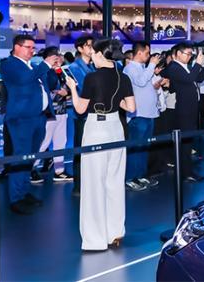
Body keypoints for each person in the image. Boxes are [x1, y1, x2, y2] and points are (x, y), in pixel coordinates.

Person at [65, 39, 135, 251]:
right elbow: (131, 107)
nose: (91, 56)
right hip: (116, 128)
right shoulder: (123, 77)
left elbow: (80, 109)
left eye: (93, 53)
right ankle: (115, 232)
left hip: (96, 129)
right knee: (114, 182)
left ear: (100, 54)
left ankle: (95, 239)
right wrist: (115, 100)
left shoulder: (92, 77)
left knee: (94, 184)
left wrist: (72, 89)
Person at [1, 36, 59, 214]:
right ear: (17, 47)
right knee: (21, 158)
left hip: (38, 118)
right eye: (28, 47)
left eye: (33, 48)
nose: (32, 51)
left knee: (30, 158)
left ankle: (23, 191)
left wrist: (52, 69)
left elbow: (49, 84)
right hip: (21, 120)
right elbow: (24, 79)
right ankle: (15, 198)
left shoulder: (32, 66)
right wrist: (45, 65)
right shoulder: (9, 64)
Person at [163, 43, 204, 182]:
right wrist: (197, 64)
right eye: (187, 54)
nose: (189, 57)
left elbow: (200, 78)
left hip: (191, 107)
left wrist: (202, 65)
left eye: (191, 54)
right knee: (185, 143)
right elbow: (189, 79)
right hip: (184, 108)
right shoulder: (174, 67)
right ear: (178, 53)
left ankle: (187, 171)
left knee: (188, 141)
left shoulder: (185, 66)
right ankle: (185, 172)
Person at [122, 41, 161, 191]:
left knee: (144, 147)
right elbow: (140, 81)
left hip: (148, 113)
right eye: (147, 53)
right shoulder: (130, 68)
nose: (149, 56)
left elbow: (146, 85)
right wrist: (151, 66)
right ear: (139, 53)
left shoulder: (143, 68)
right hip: (138, 115)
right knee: (135, 147)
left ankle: (141, 175)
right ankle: (130, 178)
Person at [33, 50, 72, 183]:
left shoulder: (63, 71)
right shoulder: (44, 71)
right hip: (49, 113)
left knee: (61, 142)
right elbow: (46, 87)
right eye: (57, 56)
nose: (60, 58)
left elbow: (70, 88)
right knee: (43, 142)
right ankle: (32, 168)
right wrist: (59, 91)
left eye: (60, 56)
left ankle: (59, 170)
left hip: (62, 111)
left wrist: (67, 92)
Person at [68, 35, 96, 195]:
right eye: (89, 46)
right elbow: (86, 86)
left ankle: (90, 183)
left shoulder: (93, 67)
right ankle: (78, 185)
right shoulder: (74, 67)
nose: (92, 49)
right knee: (80, 151)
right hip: (82, 114)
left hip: (94, 113)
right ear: (80, 48)